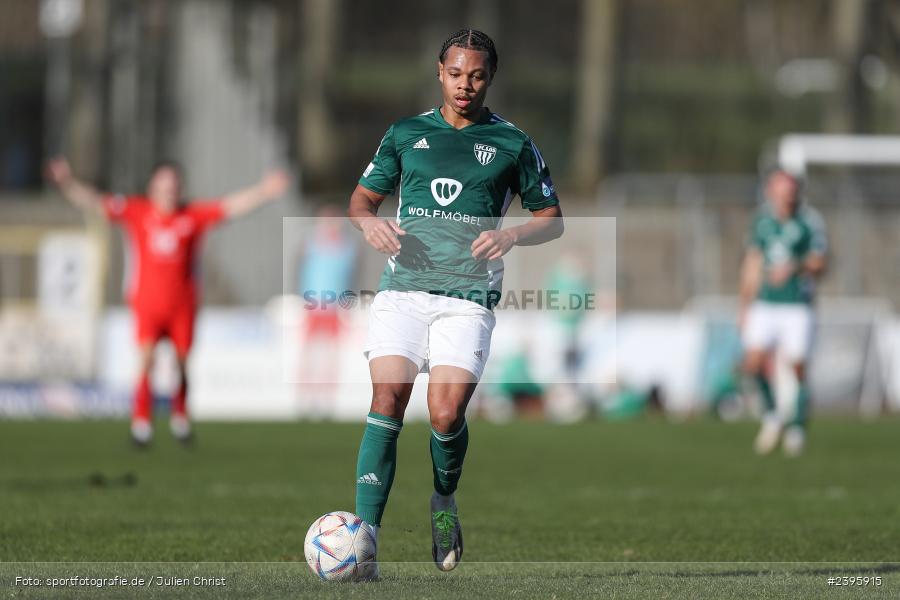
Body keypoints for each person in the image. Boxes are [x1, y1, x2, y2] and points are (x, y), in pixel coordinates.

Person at [347, 29, 563, 574]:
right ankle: (364, 539)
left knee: (445, 414)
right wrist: (368, 224)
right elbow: (361, 199)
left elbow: (551, 219)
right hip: (403, 292)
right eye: (455, 74)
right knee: (388, 399)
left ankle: (443, 501)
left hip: (467, 298)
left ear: (490, 78)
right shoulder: (404, 134)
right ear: (439, 71)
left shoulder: (513, 143)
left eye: (477, 75)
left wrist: (512, 234)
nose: (465, 85)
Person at [46, 158, 289, 445]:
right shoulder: (137, 212)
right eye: (163, 186)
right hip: (147, 302)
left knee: (182, 362)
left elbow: (230, 207)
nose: (168, 192)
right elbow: (96, 202)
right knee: (146, 359)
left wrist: (264, 190)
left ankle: (180, 417)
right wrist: (67, 183)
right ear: (152, 188)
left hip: (183, 304)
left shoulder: (192, 216)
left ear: (180, 188)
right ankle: (141, 423)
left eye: (173, 187)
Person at [738, 169, 827, 456]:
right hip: (765, 304)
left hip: (797, 306)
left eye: (789, 193)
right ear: (770, 192)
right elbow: (752, 263)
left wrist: (795, 267)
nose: (785, 198)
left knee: (798, 367)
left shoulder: (810, 221)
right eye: (780, 192)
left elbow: (820, 262)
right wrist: (743, 305)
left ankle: (797, 427)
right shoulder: (762, 220)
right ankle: (773, 417)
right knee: (751, 365)